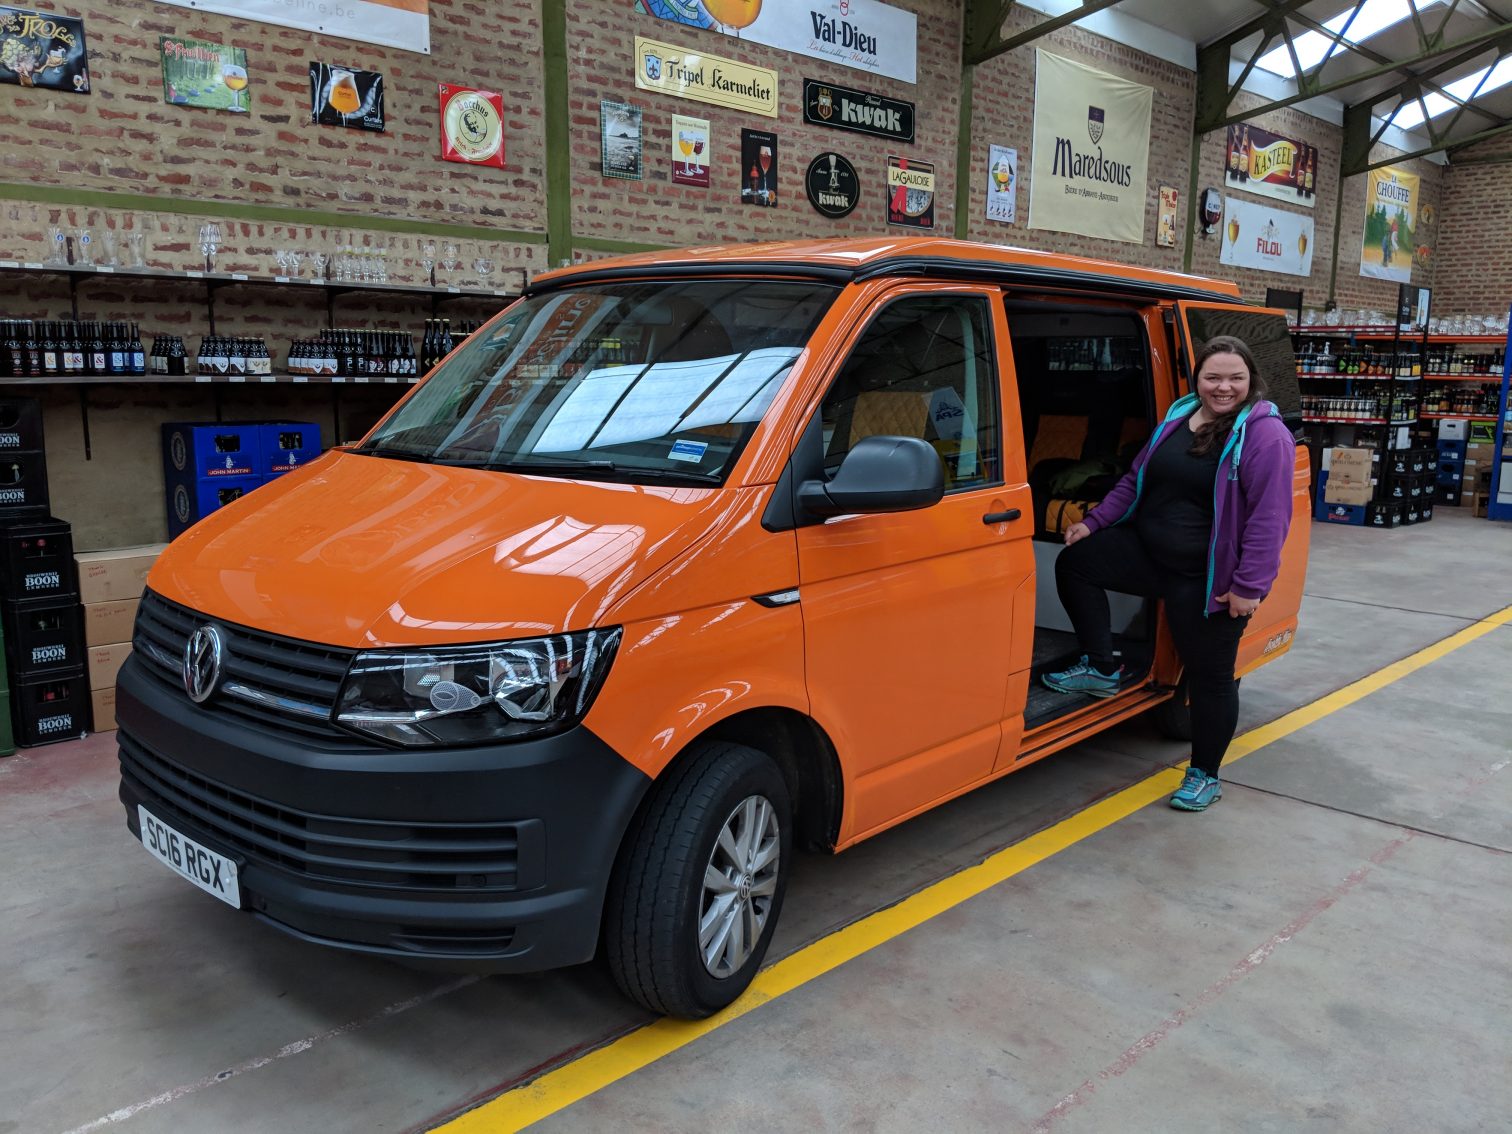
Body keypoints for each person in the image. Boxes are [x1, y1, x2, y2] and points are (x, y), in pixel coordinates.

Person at [1042, 336, 1295, 812]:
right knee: (1077, 563)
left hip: (1206, 578)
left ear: (1251, 380)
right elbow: (1135, 478)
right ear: (1197, 378)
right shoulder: (1180, 416)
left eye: (1235, 378)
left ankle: (1205, 773)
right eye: (1213, 377)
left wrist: (1248, 587)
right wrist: (1094, 522)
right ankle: (1101, 668)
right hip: (1151, 554)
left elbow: (1270, 518)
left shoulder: (1264, 434)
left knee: (1209, 678)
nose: (1223, 388)